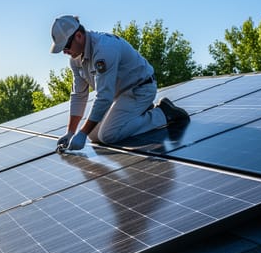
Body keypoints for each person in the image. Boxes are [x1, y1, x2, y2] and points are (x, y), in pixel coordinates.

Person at [50, 15, 189, 151]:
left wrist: (82, 133)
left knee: (108, 135)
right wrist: (71, 132)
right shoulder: (75, 60)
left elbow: (104, 96)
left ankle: (163, 113)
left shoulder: (104, 49)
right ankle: (139, 113)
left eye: (66, 46)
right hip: (121, 96)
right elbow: (79, 95)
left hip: (140, 88)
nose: (65, 52)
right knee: (93, 135)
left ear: (79, 36)